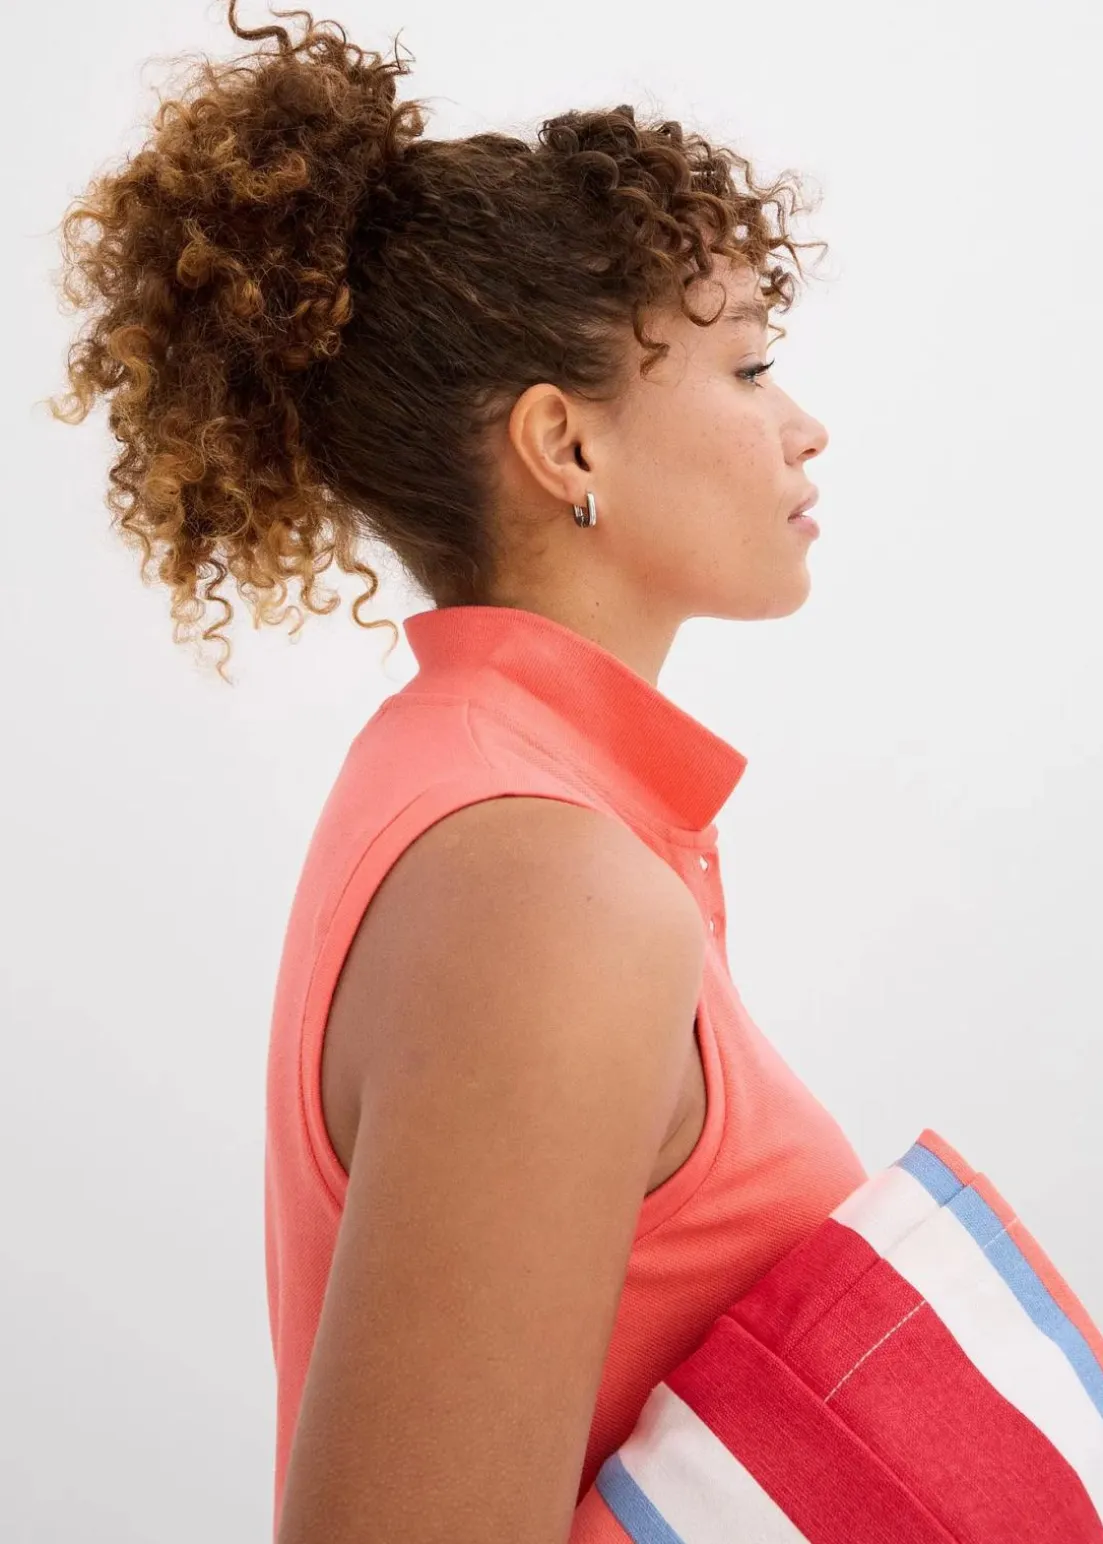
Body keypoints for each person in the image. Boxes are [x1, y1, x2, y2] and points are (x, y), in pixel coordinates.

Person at [47, 3, 867, 1540]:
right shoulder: (540, 881)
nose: (803, 428)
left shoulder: (490, 794)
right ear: (565, 447)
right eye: (749, 366)